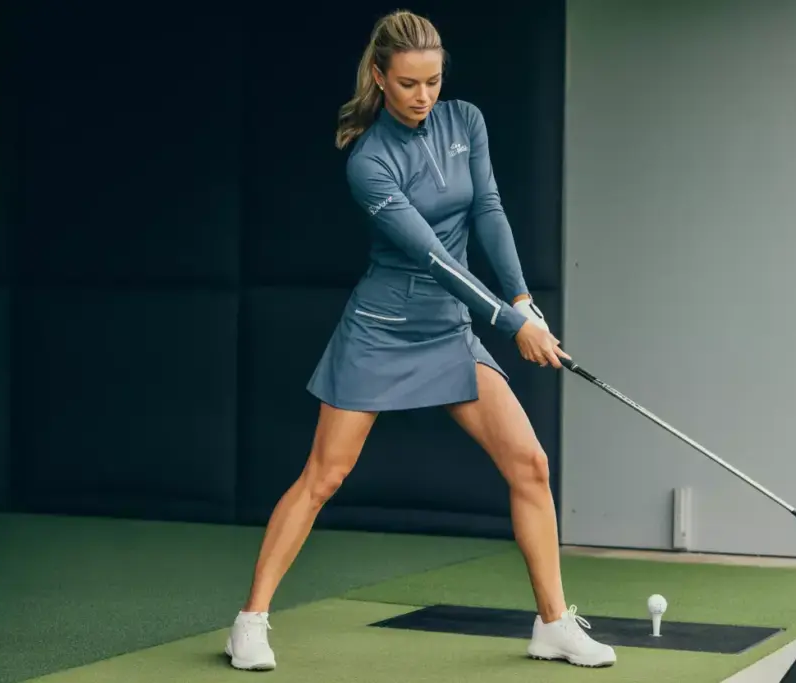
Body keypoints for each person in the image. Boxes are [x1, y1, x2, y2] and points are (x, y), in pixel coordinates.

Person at [223, 9, 616, 672]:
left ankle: (553, 623)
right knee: (325, 475)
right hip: (381, 332)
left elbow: (487, 208)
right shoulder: (368, 162)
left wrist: (522, 299)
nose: (423, 95)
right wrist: (512, 325)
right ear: (379, 77)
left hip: (450, 332)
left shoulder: (467, 121)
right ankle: (250, 622)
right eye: (407, 83)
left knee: (530, 464)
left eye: (433, 80)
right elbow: (435, 258)